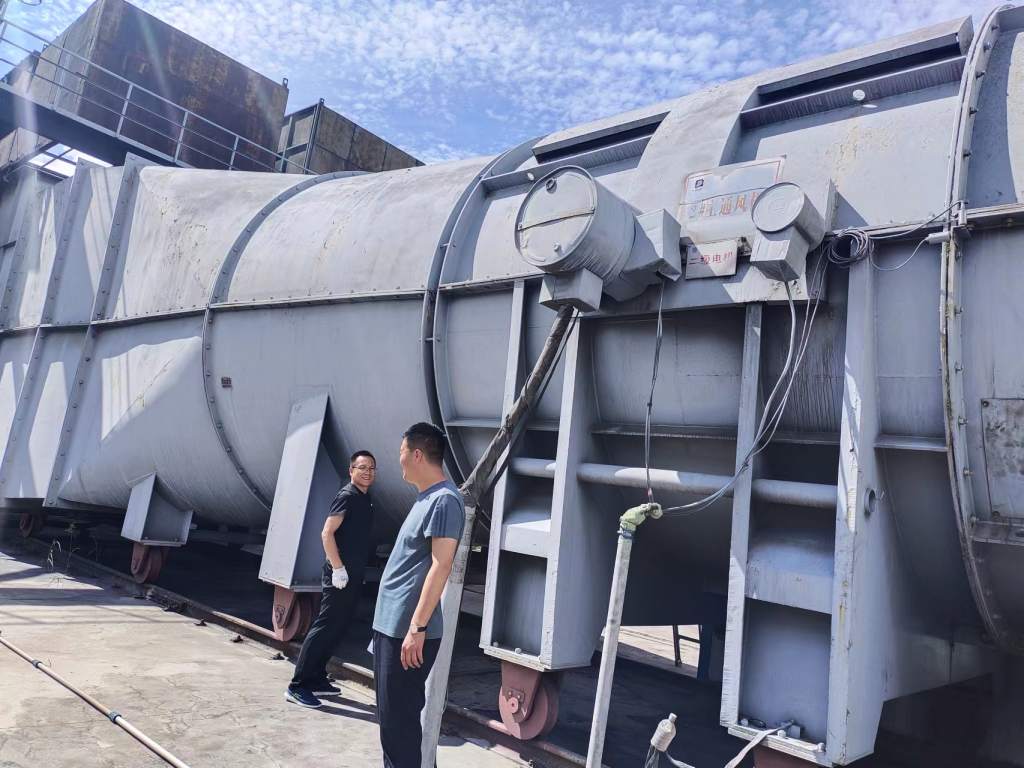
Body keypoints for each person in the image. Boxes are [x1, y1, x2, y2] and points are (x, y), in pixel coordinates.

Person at [372, 423, 465, 768]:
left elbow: (441, 566)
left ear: (417, 454)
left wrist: (417, 627)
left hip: (407, 632)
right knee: (392, 723)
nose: (398, 461)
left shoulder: (445, 501)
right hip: (392, 627)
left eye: (401, 453)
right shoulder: (426, 499)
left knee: (399, 727)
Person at [285, 450, 377, 708]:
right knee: (324, 626)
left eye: (371, 468)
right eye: (362, 467)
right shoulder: (347, 496)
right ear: (351, 471)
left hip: (352, 575)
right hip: (339, 575)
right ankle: (297, 686)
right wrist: (338, 568)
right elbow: (327, 533)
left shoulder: (365, 498)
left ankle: (316, 678)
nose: (367, 472)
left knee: (338, 627)